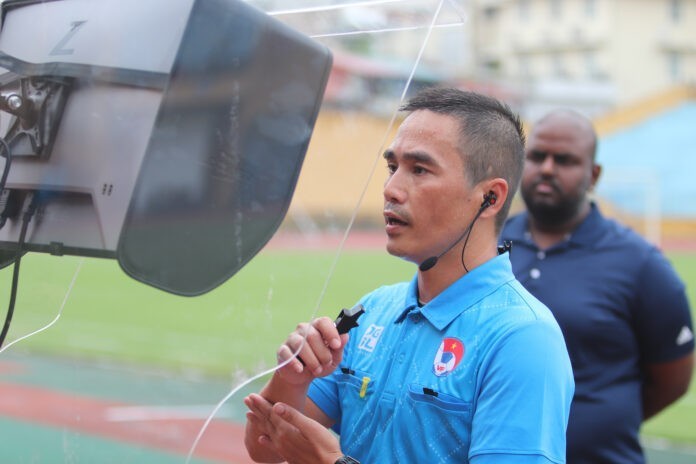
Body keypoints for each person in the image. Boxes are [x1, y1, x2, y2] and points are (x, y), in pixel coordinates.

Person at [244, 88, 574, 464]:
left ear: (490, 198)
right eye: (392, 167)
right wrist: (292, 378)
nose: (391, 188)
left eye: (419, 169)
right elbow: (266, 451)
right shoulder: (374, 310)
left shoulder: (522, 337)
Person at [501, 109, 695, 464]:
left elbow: (673, 377)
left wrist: (602, 422)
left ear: (594, 175)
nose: (547, 168)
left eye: (565, 160)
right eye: (537, 156)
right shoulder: (483, 246)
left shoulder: (641, 264)